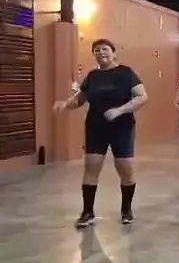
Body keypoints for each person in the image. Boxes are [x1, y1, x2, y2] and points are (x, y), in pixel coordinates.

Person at [53, 38, 148, 228]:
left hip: (122, 125)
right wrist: (64, 104)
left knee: (124, 167)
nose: (101, 52)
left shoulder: (126, 73)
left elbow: (142, 96)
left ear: (113, 52)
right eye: (96, 50)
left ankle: (126, 210)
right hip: (96, 125)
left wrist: (119, 110)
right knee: (91, 165)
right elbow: (79, 100)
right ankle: (88, 212)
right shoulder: (92, 76)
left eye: (105, 49)